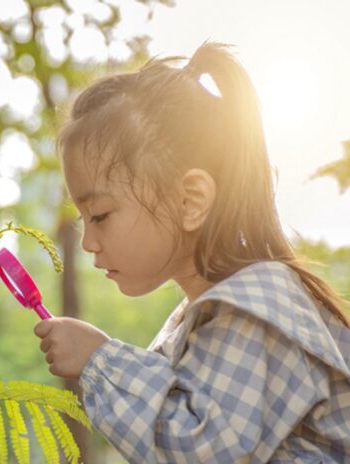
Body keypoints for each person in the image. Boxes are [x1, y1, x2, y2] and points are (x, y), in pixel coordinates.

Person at [33, 42, 350, 463]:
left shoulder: (256, 307)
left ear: (191, 200)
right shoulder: (203, 317)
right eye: (82, 220)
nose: (89, 242)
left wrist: (99, 360)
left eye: (101, 214)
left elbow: (202, 449)